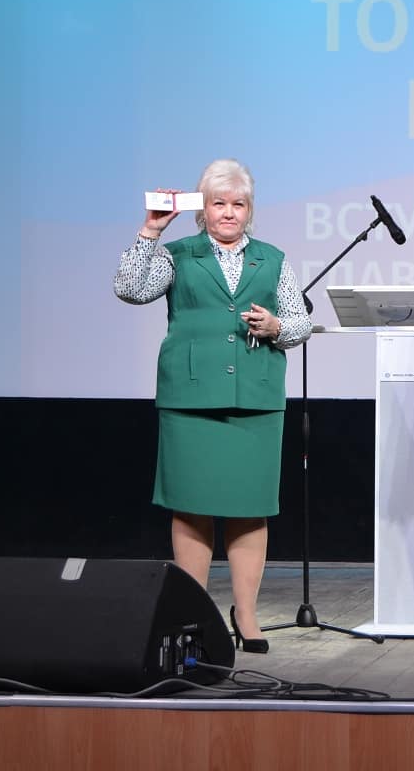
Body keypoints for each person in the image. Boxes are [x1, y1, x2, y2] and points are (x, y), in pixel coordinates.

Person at [114, 158, 311, 654]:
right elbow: (130, 289)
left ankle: (246, 615)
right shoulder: (179, 254)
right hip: (191, 399)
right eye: (219, 203)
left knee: (251, 508)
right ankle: (193, 615)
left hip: (255, 400)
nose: (229, 212)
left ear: (250, 210)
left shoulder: (273, 258)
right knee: (192, 508)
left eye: (238, 204)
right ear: (203, 210)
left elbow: (300, 322)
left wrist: (277, 327)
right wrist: (150, 232)